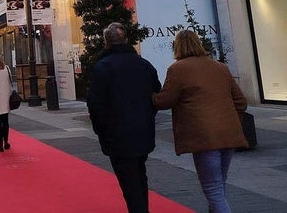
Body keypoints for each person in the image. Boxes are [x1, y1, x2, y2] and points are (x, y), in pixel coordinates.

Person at [153, 29, 248, 213]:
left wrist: (150, 97)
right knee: (219, 185)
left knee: (213, 189)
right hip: (228, 135)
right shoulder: (220, 67)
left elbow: (165, 100)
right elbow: (241, 101)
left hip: (204, 136)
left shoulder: (178, 69)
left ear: (177, 46)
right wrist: (232, 120)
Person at [86, 22, 161, 213]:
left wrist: (101, 129)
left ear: (106, 43)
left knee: (129, 182)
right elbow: (156, 94)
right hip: (143, 130)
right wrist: (147, 115)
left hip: (117, 134)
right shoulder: (144, 65)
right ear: (126, 40)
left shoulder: (102, 67)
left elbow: (95, 104)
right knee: (139, 175)